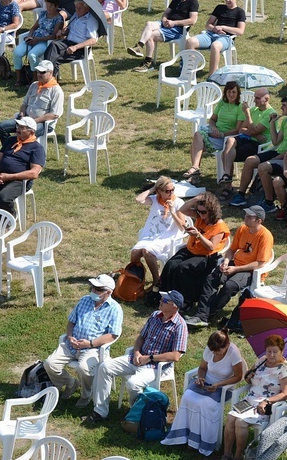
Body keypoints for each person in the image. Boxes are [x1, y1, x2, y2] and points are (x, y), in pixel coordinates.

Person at [83, 290, 188, 424]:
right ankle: (100, 411)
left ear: (174, 307)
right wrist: (137, 352)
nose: (160, 301)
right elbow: (141, 337)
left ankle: (136, 412)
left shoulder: (180, 326)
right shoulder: (155, 315)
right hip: (137, 358)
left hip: (155, 366)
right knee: (104, 367)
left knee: (133, 384)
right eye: (162, 298)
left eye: (165, 300)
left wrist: (150, 358)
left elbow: (176, 355)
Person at [184, 205, 274, 328]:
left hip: (251, 271)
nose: (245, 218)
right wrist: (226, 261)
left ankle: (206, 316)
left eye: (249, 216)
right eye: (246, 215)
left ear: (259, 221)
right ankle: (201, 316)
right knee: (212, 279)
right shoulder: (242, 229)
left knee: (229, 286)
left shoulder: (266, 236)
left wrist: (236, 269)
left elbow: (260, 263)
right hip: (235, 264)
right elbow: (232, 249)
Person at [43, 274, 123, 408]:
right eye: (92, 287)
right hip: (71, 345)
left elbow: (112, 335)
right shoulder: (84, 300)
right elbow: (71, 321)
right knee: (49, 363)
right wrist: (69, 336)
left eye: (98, 289)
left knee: (83, 368)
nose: (93, 290)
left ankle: (86, 394)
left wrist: (90, 344)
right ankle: (71, 383)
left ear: (108, 292)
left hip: (93, 348)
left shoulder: (115, 309)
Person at [217, 335, 287, 460]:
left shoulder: (284, 369)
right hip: (249, 400)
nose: (271, 355)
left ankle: (238, 456)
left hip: (264, 405)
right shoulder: (261, 362)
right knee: (230, 418)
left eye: (275, 352)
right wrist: (248, 376)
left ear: (281, 351)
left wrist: (267, 401)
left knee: (241, 422)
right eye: (268, 351)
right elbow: (248, 380)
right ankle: (227, 454)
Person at [162, 329, 244, 455]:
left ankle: (201, 440)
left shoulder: (233, 352)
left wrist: (218, 384)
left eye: (219, 352)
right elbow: (202, 368)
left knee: (204, 403)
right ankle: (185, 435)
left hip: (224, 386)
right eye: (213, 351)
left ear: (226, 345)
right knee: (187, 397)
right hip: (207, 382)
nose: (215, 354)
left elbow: (238, 376)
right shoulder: (210, 349)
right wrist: (201, 378)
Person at [155, 192, 230, 307]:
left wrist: (198, 235)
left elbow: (211, 247)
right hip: (191, 250)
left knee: (182, 268)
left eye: (204, 212)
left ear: (212, 210)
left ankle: (186, 299)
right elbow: (182, 209)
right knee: (171, 264)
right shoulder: (200, 217)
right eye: (199, 211)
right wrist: (196, 199)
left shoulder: (219, 226)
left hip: (205, 256)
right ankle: (165, 295)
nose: (201, 214)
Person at [229, 98, 287, 211]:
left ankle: (269, 203)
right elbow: (276, 141)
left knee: (263, 167)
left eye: (284, 105)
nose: (281, 107)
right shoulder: (286, 121)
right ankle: (241, 195)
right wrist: (272, 123)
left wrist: (272, 160)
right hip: (278, 152)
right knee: (250, 160)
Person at [218, 87, 275, 201]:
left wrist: (248, 115)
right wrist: (255, 133)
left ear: (267, 98)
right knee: (230, 142)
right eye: (254, 98)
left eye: (257, 98)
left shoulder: (270, 114)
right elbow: (241, 129)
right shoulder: (254, 109)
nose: (254, 100)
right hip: (248, 138)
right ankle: (227, 176)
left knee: (226, 154)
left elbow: (253, 130)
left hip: (257, 145)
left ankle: (228, 188)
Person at [131, 176, 186, 293]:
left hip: (168, 237)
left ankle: (157, 281)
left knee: (147, 252)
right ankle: (135, 280)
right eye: (167, 191)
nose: (171, 193)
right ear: (159, 191)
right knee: (135, 252)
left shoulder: (178, 203)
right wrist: (152, 189)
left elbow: (182, 226)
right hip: (151, 236)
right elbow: (138, 200)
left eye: (172, 190)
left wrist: (172, 212)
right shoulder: (155, 199)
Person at [182, 81, 244, 183]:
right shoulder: (222, 103)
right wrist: (214, 128)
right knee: (197, 135)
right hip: (215, 133)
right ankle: (195, 168)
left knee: (195, 145)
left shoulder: (240, 108)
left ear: (238, 94)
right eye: (229, 92)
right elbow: (212, 120)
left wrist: (222, 134)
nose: (231, 95)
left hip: (226, 138)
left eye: (233, 92)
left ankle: (195, 171)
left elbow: (237, 129)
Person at [0, 60, 64, 144]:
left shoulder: (56, 91)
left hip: (42, 123)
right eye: (38, 71)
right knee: (0, 127)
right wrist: (22, 114)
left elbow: (54, 115)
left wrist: (34, 121)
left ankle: (15, 150)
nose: (38, 74)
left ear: (51, 73)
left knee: (24, 134)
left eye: (42, 72)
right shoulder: (34, 85)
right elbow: (24, 104)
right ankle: (10, 148)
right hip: (25, 119)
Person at [127, 0, 198, 73]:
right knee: (149, 24)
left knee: (151, 35)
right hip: (166, 23)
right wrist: (164, 19)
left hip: (178, 29)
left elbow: (192, 20)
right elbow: (166, 13)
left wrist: (174, 23)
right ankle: (139, 46)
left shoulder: (193, 2)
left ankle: (147, 63)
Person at [184, 0, 246, 76]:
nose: (228, 1)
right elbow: (208, 25)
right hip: (211, 34)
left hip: (226, 37)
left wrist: (223, 27)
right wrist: (214, 29)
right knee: (190, 41)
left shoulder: (240, 12)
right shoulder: (219, 8)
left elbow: (240, 31)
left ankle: (212, 76)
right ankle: (189, 72)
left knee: (215, 45)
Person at [12, 0, 64, 86]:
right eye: (47, 5)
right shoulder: (43, 14)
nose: (48, 8)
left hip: (45, 42)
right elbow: (34, 27)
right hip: (34, 39)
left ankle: (35, 78)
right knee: (17, 52)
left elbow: (53, 36)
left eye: (51, 6)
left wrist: (38, 39)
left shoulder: (59, 18)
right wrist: (30, 36)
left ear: (56, 6)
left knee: (32, 55)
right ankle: (19, 78)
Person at [43, 0, 99, 78]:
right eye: (76, 7)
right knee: (53, 48)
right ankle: (50, 79)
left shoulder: (90, 20)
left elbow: (93, 40)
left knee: (53, 54)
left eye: (80, 8)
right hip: (68, 43)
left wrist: (75, 47)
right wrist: (62, 33)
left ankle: (47, 78)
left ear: (87, 9)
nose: (77, 10)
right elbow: (69, 30)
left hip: (79, 49)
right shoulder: (75, 15)